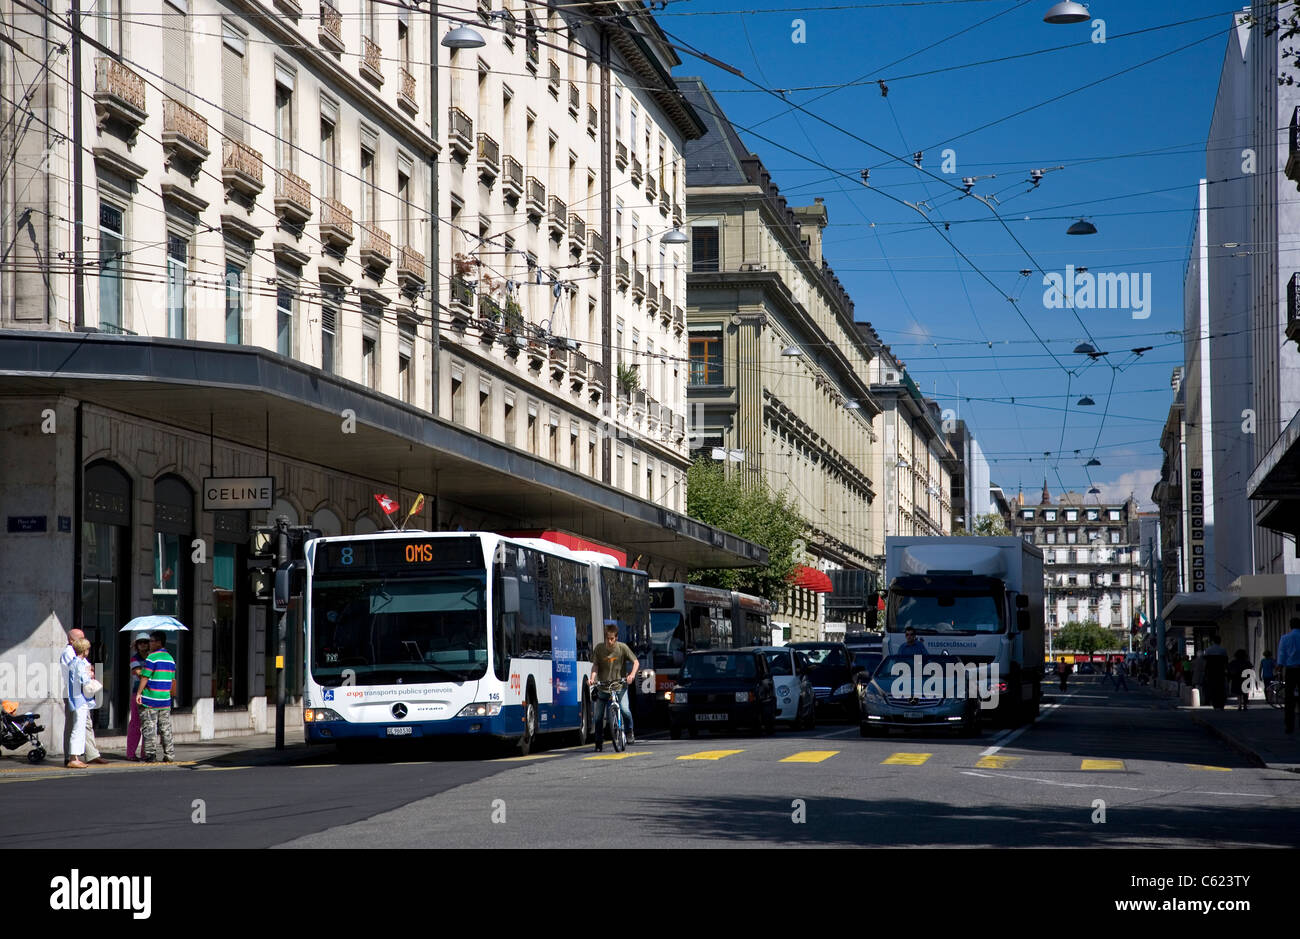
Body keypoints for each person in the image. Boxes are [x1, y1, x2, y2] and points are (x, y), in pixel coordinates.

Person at [59, 628, 105, 766]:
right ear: (71, 640)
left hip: (80, 696)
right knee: (75, 727)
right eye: (80, 639)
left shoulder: (77, 659)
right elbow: (81, 676)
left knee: (84, 725)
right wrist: (89, 674)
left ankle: (89, 754)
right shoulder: (70, 655)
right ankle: (71, 757)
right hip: (76, 695)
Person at [588, 623, 638, 752]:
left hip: (619, 686)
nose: (609, 641)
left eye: (612, 639)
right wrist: (592, 678)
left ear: (616, 638)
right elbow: (595, 666)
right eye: (607, 639)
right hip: (603, 687)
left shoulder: (622, 648)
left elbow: (636, 662)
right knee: (598, 716)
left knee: (625, 710)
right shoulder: (599, 649)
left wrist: (631, 675)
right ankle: (598, 742)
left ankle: (629, 731)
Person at [136, 631, 176, 762]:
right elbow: (173, 680)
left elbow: (145, 676)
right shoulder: (170, 658)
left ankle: (150, 755)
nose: (149, 644)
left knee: (149, 727)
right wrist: (171, 696)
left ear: (158, 642)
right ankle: (169, 754)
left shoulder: (152, 658)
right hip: (164, 699)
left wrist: (139, 693)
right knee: (165, 728)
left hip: (150, 698)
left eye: (151, 641)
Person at [65, 639, 96, 769]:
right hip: (81, 699)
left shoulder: (73, 662)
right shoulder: (80, 664)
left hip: (75, 698)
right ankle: (73, 757)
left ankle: (75, 757)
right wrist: (90, 675)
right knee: (78, 729)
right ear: (85, 650)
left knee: (78, 728)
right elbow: (84, 680)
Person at [126, 632, 151, 761]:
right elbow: (138, 673)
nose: (143, 645)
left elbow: (144, 674)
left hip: (151, 693)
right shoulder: (134, 659)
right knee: (135, 723)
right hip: (138, 693)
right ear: (136, 645)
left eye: (145, 642)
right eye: (140, 642)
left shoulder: (153, 657)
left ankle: (145, 752)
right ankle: (131, 753)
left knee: (149, 724)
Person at [1276, 619, 1300, 734]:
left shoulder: (1285, 638)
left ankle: (1289, 726)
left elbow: (1282, 653)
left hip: (1291, 670)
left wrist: (1279, 667)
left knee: (1289, 699)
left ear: (1290, 626)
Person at [1203, 635, 1228, 710]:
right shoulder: (1223, 650)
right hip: (1220, 671)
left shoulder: (1208, 650)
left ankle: (1215, 704)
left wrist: (1205, 672)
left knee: (1212, 688)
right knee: (1221, 688)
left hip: (1211, 672)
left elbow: (1205, 662)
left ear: (1213, 641)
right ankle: (1221, 704)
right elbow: (1225, 661)